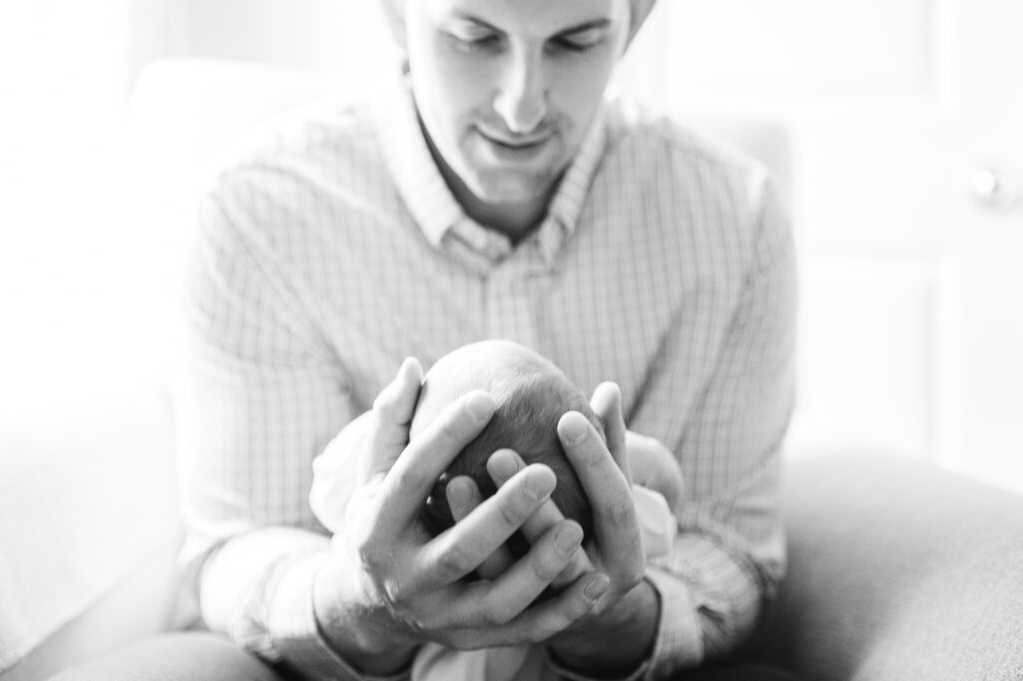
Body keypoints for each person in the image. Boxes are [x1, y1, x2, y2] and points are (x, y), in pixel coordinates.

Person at [60, 0, 800, 679]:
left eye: (575, 41)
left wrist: (611, 617)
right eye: (474, 37)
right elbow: (237, 542)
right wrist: (357, 600)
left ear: (635, 20)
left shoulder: (737, 221)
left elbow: (729, 547)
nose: (522, 104)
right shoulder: (251, 215)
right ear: (393, 14)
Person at [312, 339, 682, 681]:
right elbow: (667, 512)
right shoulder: (604, 515)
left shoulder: (375, 500)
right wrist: (639, 455)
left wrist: (374, 430)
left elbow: (325, 493)